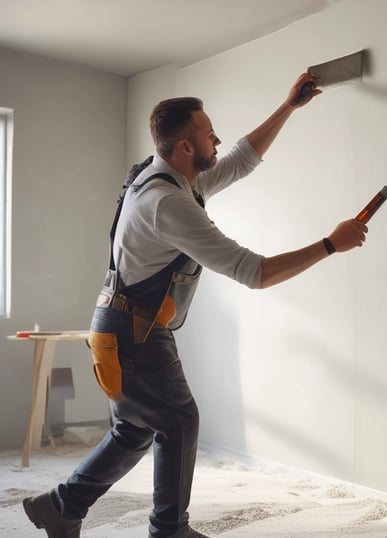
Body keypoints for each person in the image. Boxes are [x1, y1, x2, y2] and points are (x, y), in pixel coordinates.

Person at [22, 72, 368, 538]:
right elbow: (256, 272)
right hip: (136, 332)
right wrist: (331, 244)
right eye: (208, 134)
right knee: (179, 421)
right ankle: (168, 530)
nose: (217, 139)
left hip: (116, 324)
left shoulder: (164, 176)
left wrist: (289, 106)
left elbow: (240, 160)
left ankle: (61, 506)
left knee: (134, 430)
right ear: (186, 147)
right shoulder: (169, 203)